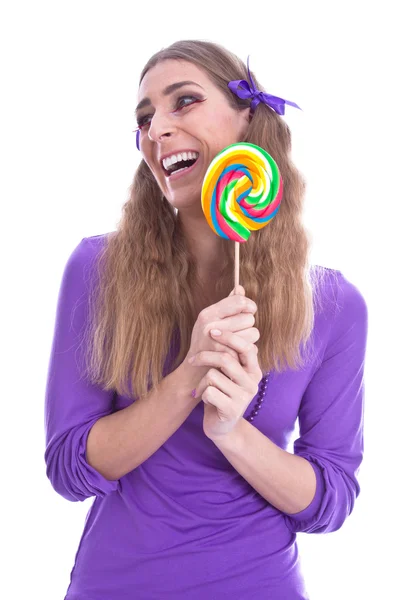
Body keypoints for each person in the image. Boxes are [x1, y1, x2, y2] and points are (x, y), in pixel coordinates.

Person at [44, 40, 368, 600]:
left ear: (248, 119)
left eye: (183, 102)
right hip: (116, 584)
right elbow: (70, 467)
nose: (157, 130)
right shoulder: (97, 269)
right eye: (144, 119)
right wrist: (192, 375)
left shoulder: (335, 306)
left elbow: (331, 499)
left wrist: (231, 432)